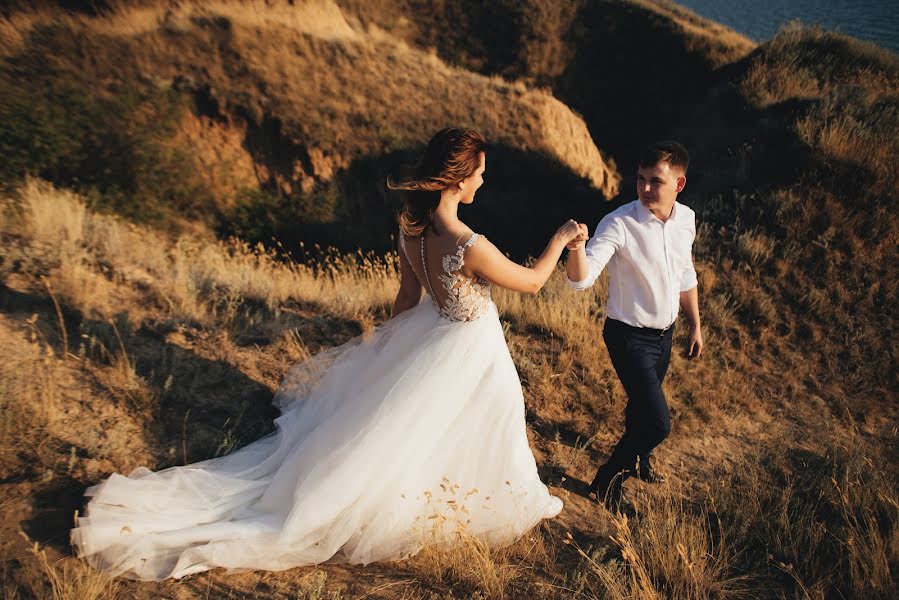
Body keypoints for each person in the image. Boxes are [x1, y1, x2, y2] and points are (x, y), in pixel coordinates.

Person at [71, 127, 587, 580]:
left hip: (432, 331)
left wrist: (392, 351)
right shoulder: (468, 242)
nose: (482, 183)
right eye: (479, 175)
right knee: (484, 419)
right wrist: (562, 238)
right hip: (468, 343)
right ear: (457, 181)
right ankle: (489, 500)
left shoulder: (412, 229)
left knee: (418, 427)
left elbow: (407, 298)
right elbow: (534, 283)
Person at [565, 140, 703, 509]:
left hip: (665, 335)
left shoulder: (686, 219)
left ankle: (641, 459)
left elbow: (685, 274)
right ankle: (607, 480)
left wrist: (695, 326)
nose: (644, 188)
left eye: (655, 181)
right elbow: (582, 279)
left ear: (679, 184)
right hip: (628, 336)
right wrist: (577, 249)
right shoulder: (619, 223)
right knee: (657, 424)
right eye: (640, 179)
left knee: (641, 408)